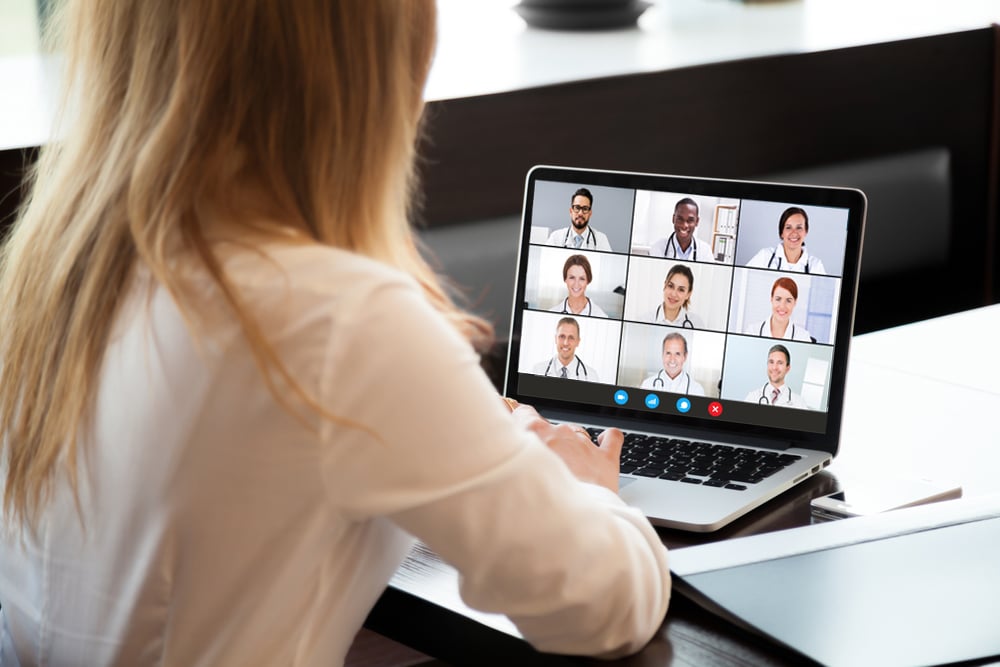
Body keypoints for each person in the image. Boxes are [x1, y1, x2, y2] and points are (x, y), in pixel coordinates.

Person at [0, 2, 670, 664]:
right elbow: (602, 605)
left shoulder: (53, 276)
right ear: (370, 67)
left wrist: (468, 452)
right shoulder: (340, 321)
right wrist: (581, 491)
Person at [746, 206, 827, 274]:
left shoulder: (815, 266)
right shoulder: (764, 257)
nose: (794, 233)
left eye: (799, 227)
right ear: (781, 233)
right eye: (788, 227)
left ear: (806, 231)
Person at [745, 277, 814, 342]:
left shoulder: (803, 337)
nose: (782, 306)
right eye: (778, 299)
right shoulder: (752, 331)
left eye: (788, 301)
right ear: (771, 299)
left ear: (795, 303)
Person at [532, 317, 601, 381]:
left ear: (578, 341)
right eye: (562, 336)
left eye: (571, 337)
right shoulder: (537, 371)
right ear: (556, 339)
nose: (565, 343)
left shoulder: (591, 376)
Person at [545, 188, 613, 251]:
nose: (580, 213)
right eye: (577, 208)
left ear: (590, 213)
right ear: (571, 211)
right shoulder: (556, 237)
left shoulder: (601, 240)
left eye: (585, 209)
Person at [649, 198, 714, 262]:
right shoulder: (658, 248)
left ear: (697, 222)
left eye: (690, 220)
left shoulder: (705, 251)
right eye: (680, 219)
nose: (684, 225)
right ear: (673, 219)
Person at [640, 333, 706, 395]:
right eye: (668, 353)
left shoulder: (696, 390)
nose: (672, 359)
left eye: (677, 354)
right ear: (663, 355)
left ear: (685, 357)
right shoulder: (647, 385)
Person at [744, 345, 808, 408]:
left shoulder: (799, 403)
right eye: (771, 362)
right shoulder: (752, 398)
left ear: (787, 368)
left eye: (780, 363)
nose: (774, 368)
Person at [647, 264, 703, 328]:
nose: (673, 294)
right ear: (665, 285)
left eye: (681, 290)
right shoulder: (645, 320)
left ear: (688, 294)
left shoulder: (697, 323)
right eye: (670, 286)